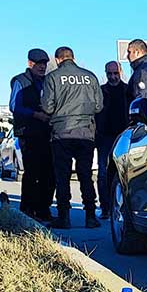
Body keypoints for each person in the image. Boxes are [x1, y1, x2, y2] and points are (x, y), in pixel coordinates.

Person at [41, 46, 103, 229]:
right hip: (86, 132)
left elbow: (47, 107)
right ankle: (91, 216)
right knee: (85, 175)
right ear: (73, 58)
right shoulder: (90, 76)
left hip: (62, 132)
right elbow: (99, 106)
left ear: (58, 59)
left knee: (62, 176)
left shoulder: (52, 77)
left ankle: (64, 217)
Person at [10, 48, 54, 222]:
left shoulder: (48, 81)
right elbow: (15, 106)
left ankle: (43, 209)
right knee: (32, 173)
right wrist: (35, 114)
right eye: (39, 64)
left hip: (47, 133)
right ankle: (27, 209)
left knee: (49, 174)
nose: (42, 67)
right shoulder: (20, 81)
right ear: (30, 64)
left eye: (44, 64)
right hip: (28, 133)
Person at [95, 61, 127, 219]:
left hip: (124, 136)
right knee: (103, 173)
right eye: (110, 74)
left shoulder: (127, 90)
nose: (113, 77)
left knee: (122, 173)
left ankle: (121, 207)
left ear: (120, 72)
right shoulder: (101, 92)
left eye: (115, 73)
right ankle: (105, 207)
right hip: (104, 137)